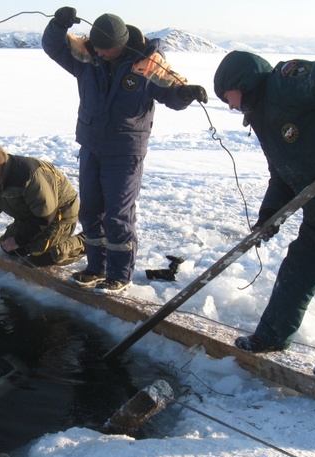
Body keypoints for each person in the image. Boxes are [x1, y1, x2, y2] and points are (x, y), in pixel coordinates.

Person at [213, 51, 315, 384]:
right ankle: (271, 335)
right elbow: (284, 171)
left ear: (240, 83)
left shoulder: (284, 84)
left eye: (226, 96)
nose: (229, 106)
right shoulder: (261, 116)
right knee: (297, 271)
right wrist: (270, 214)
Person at [42, 7, 208, 294]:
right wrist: (58, 24)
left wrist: (186, 93)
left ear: (121, 44)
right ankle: (96, 268)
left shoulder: (147, 62)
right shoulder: (87, 55)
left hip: (125, 150)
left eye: (107, 50)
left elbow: (172, 91)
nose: (102, 54)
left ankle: (120, 274)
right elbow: (54, 46)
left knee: (118, 214)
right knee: (91, 211)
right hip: (92, 145)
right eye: (98, 49)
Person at [0, 144, 85, 266]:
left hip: (59, 214)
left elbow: (45, 215)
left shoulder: (28, 175)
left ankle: (86, 242)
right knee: (10, 248)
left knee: (42, 256)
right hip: (32, 216)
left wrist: (19, 239)